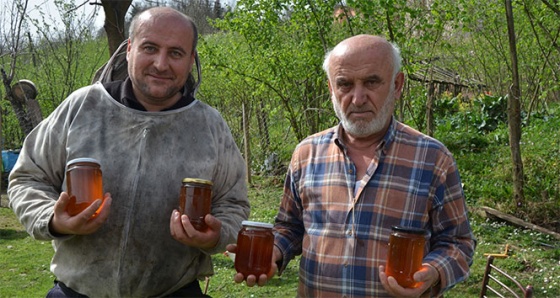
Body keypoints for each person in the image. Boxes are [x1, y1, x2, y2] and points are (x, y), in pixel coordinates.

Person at [8, 7, 250, 297]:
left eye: (176, 53)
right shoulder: (82, 107)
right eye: (150, 48)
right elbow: (27, 178)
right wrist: (53, 219)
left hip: (175, 291)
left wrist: (216, 235)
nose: (161, 64)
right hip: (77, 292)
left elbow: (233, 204)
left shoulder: (210, 126)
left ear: (191, 61)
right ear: (129, 49)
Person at [228, 34, 476, 297]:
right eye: (345, 84)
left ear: (397, 84)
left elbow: (458, 243)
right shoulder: (307, 153)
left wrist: (432, 271)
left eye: (371, 82)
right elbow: (290, 227)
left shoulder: (432, 158)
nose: (358, 98)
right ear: (331, 89)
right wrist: (273, 252)